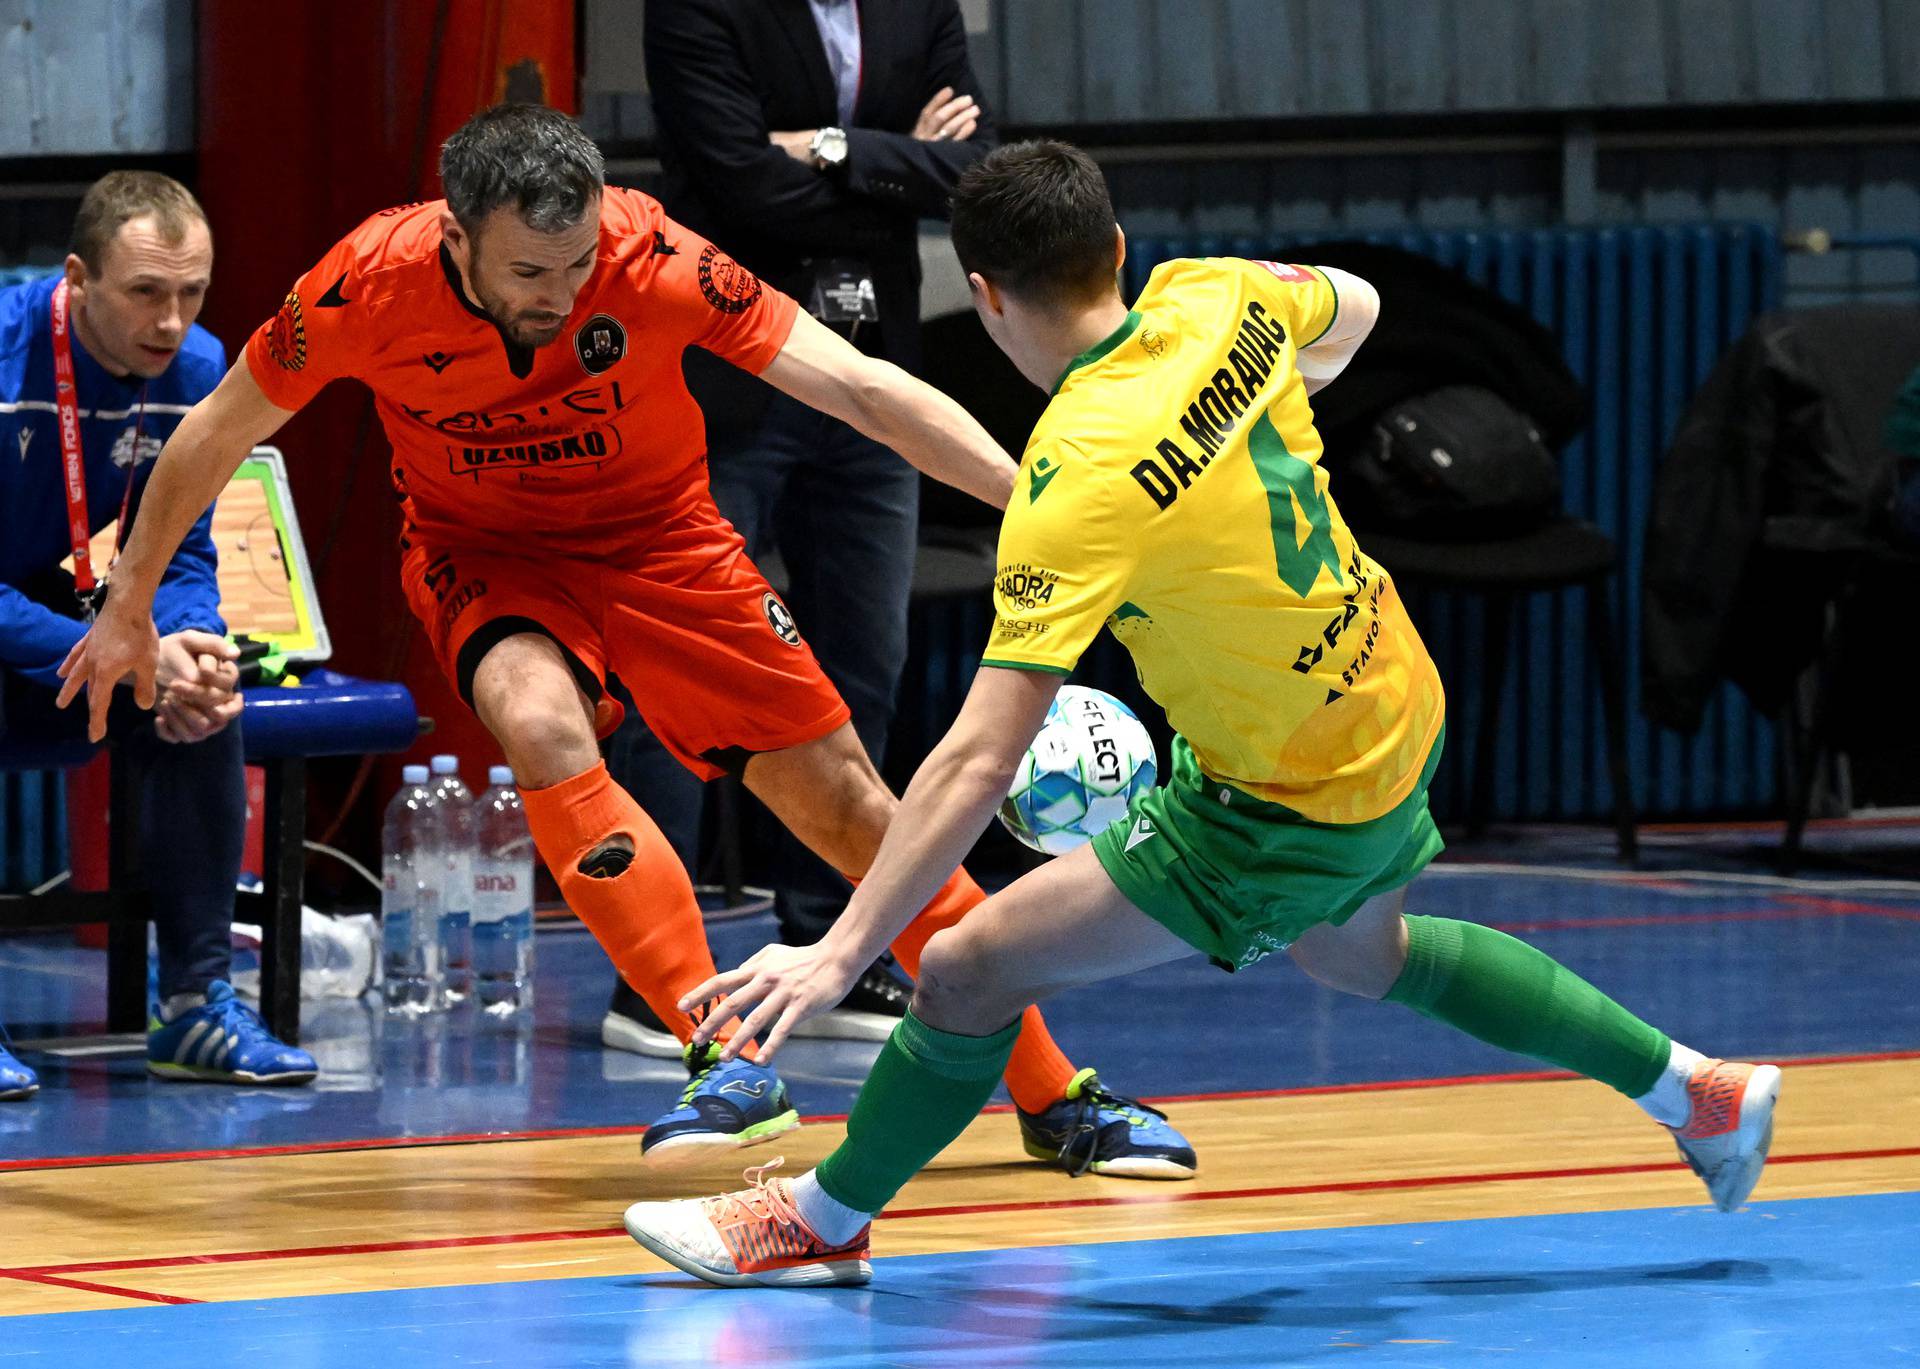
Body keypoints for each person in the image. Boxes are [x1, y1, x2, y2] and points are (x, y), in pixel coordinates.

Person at [621, 141, 1784, 1287]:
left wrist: (839, 950)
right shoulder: (1216, 293)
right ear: (1118, 249)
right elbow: (1362, 307)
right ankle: (1701, 1093)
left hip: (1280, 803)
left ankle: (821, 1221)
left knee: (967, 971)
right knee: (1363, 956)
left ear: (982, 297)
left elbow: (979, 754)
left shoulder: (1071, 479)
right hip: (1390, 699)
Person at [57, 108, 1193, 1177]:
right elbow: (210, 437)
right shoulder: (366, 283)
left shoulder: (653, 258)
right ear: (457, 238)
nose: (563, 292)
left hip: (668, 547)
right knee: (541, 722)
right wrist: (130, 603)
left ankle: (1057, 1097)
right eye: (530, 274)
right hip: (483, 555)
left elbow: (862, 388)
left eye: (576, 262)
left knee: (858, 813)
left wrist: (1044, 502)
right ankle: (727, 1060)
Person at [598, 0, 999, 1052]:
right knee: (678, 672)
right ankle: (661, 974)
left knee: (864, 661)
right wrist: (894, 167)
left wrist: (829, 150)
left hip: (873, 370)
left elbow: (978, 173)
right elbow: (730, 179)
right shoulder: (701, 8)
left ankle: (836, 944)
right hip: (728, 381)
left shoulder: (922, 6)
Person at [0, 171, 316, 1093]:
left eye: (192, 293)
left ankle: (194, 1005)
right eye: (145, 292)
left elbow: (179, 554)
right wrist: (104, 643)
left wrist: (187, 643)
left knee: (200, 706)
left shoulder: (196, 371)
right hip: (39, 633)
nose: (171, 321)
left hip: (60, 631)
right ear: (76, 279)